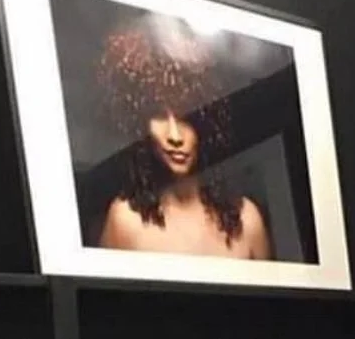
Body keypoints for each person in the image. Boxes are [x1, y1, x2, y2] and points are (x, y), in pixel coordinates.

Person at [94, 19, 271, 258]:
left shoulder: (247, 221)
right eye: (158, 115)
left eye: (185, 117)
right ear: (140, 123)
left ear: (205, 123)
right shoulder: (125, 220)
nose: (175, 136)